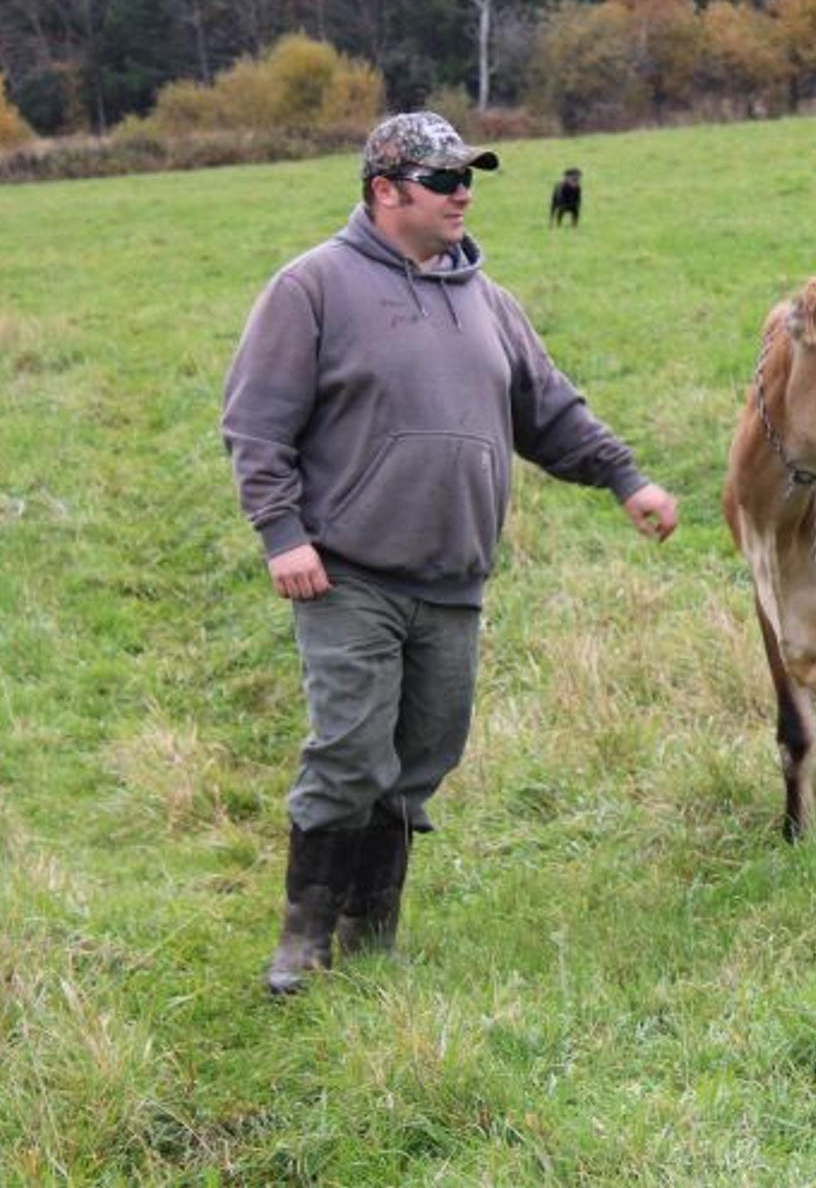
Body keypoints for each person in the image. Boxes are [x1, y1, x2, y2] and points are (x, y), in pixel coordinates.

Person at [222, 112, 679, 995]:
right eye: (442, 179)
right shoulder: (311, 288)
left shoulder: (487, 299)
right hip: (347, 572)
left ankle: (370, 939)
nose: (462, 190)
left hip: (455, 580)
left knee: (419, 760)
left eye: (469, 175)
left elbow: (549, 411)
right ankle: (302, 940)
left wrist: (627, 479)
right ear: (385, 191)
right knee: (352, 752)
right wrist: (283, 534)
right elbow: (256, 424)